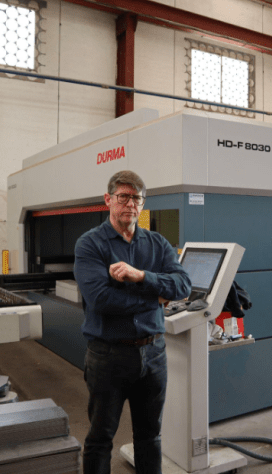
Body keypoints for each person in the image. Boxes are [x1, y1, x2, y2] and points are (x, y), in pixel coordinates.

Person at [74, 170, 192, 474]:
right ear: (108, 199)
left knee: (150, 436)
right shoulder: (90, 244)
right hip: (108, 356)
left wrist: (141, 276)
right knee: (100, 438)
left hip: (154, 355)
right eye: (123, 197)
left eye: (136, 198)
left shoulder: (157, 243)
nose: (130, 204)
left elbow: (183, 286)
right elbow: (101, 300)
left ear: (143, 203)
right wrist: (154, 299)